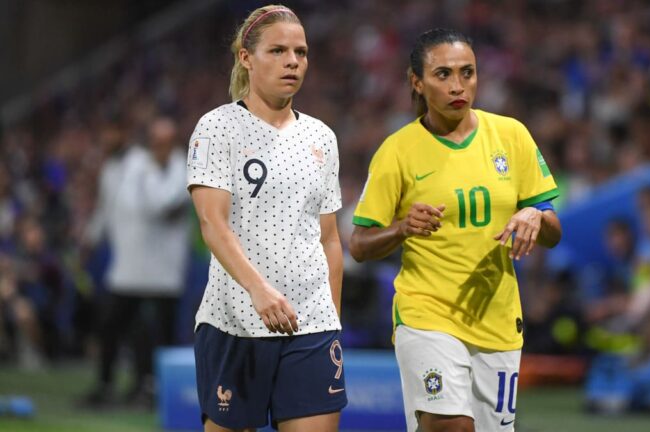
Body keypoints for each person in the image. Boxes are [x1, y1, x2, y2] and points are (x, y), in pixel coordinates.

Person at [350, 29, 562, 432]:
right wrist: (401, 228)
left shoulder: (511, 135)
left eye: (468, 73)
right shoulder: (397, 151)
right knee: (452, 426)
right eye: (443, 74)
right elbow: (359, 244)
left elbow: (553, 229)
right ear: (417, 81)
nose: (458, 86)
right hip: (427, 314)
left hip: (497, 320)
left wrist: (536, 216)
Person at [186, 5, 346, 432]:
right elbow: (212, 226)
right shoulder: (216, 128)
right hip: (235, 321)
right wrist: (259, 291)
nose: (293, 61)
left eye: (301, 52)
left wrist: (333, 321)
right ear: (245, 57)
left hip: (311, 326)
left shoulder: (322, 138)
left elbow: (330, 239)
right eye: (277, 50)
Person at [80, 117, 190, 408]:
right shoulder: (123, 166)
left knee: (160, 334)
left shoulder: (177, 168)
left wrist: (153, 170)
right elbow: (108, 208)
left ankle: (159, 392)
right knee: (113, 326)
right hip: (128, 265)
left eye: (165, 142)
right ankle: (109, 385)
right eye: (155, 141)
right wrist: (91, 238)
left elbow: (160, 204)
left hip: (163, 269)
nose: (159, 148)